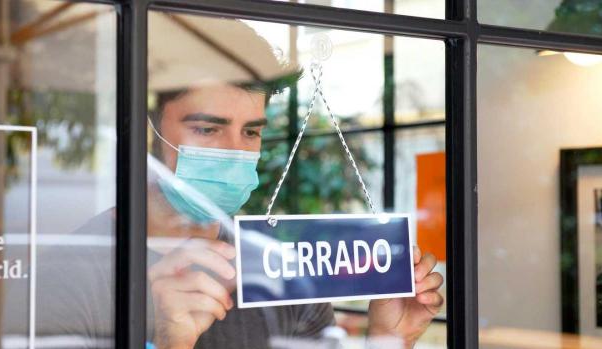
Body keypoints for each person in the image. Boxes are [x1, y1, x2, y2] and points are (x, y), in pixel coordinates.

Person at [36, 15, 444, 349]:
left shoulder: (278, 266)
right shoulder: (68, 276)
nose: (235, 151)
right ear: (147, 133)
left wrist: (387, 339)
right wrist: (167, 343)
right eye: (208, 129)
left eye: (251, 132)